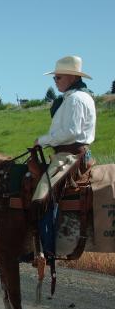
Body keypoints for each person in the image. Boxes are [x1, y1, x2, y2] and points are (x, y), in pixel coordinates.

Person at [33, 55, 96, 201]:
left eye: (58, 78)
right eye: (54, 78)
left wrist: (41, 141)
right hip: (68, 155)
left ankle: (47, 223)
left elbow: (71, 132)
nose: (55, 81)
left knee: (41, 196)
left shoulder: (76, 98)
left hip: (69, 156)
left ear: (72, 77)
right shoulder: (76, 96)